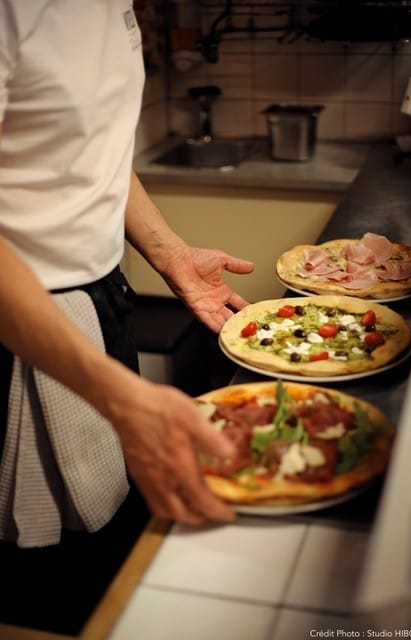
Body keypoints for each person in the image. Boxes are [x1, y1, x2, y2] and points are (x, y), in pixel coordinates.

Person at [0, 0, 254, 633]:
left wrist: (171, 255)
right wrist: (122, 398)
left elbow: (86, 153)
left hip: (98, 302)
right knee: (40, 586)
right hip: (20, 325)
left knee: (109, 553)